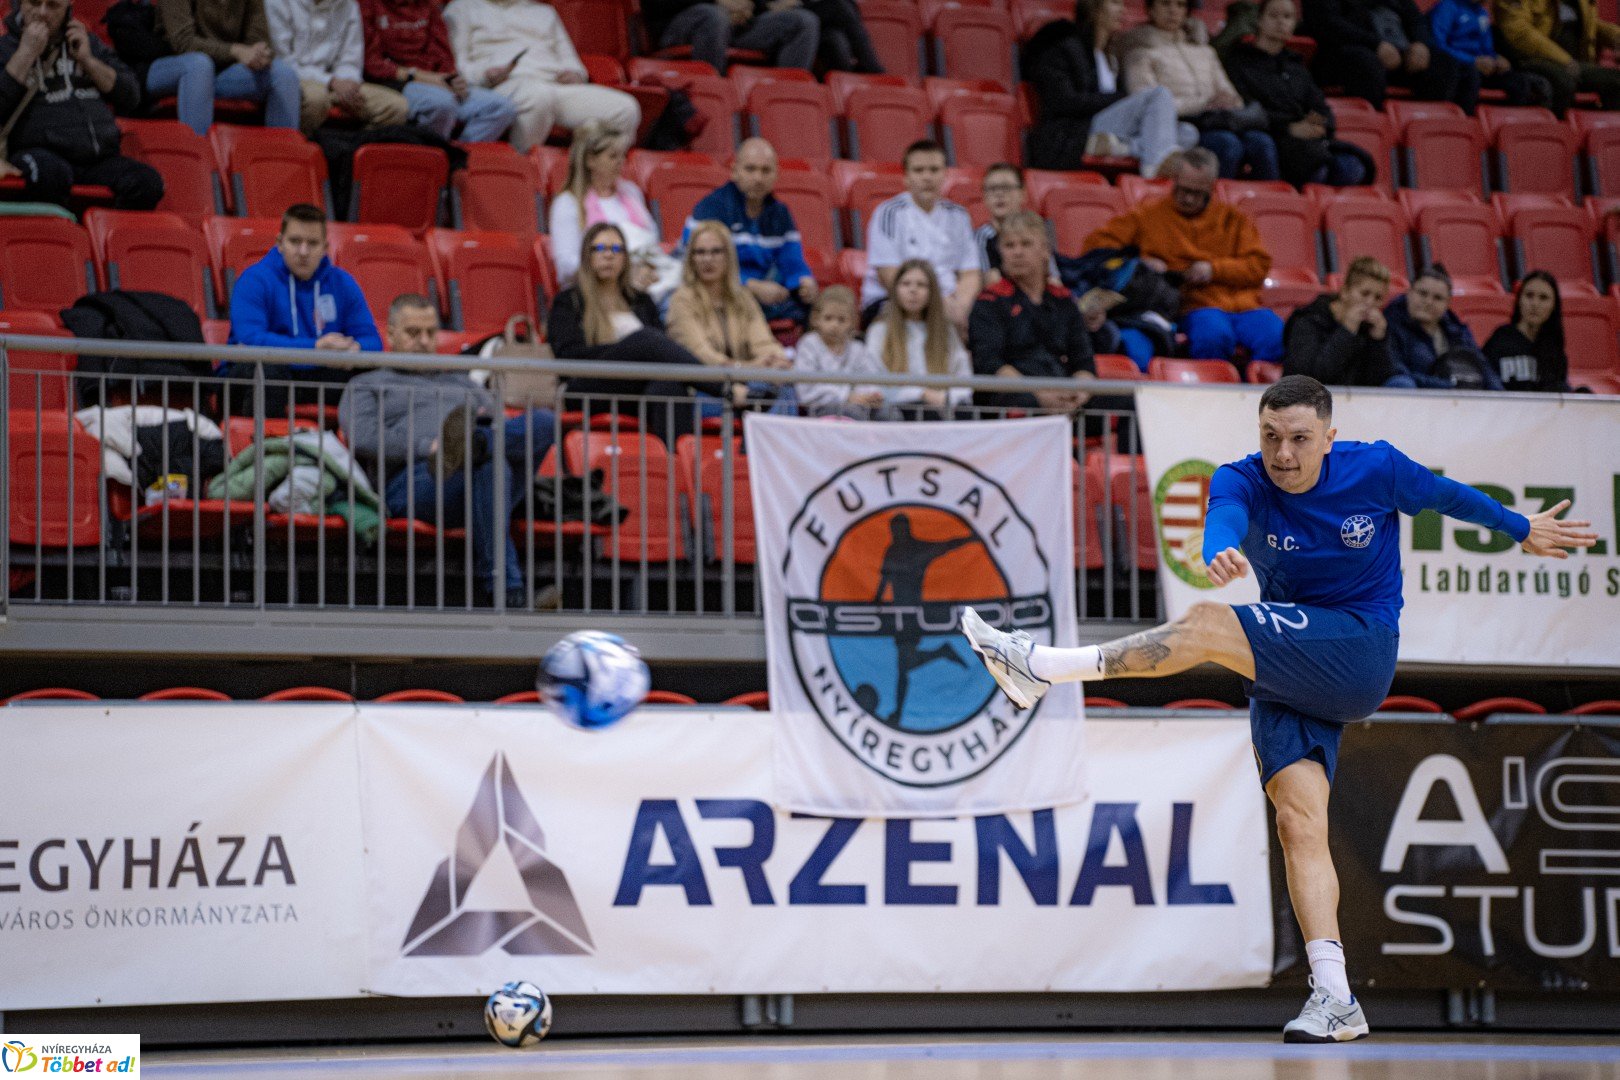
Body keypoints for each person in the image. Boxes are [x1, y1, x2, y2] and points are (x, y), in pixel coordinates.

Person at [960, 373, 1596, 1044]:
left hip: (1358, 646)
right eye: (1271, 438)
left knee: (1208, 625)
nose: (1283, 454)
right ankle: (1335, 995)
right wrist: (1218, 553)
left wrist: (1520, 527)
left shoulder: (1374, 467)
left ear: (1329, 437)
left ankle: (1040, 668)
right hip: (1292, 669)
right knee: (1299, 823)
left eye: (1298, 439)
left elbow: (1446, 496)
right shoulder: (1241, 478)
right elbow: (1221, 522)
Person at [338, 294, 560, 610]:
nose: (424, 341)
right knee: (489, 463)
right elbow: (363, 437)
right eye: (413, 333)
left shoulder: (464, 382)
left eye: (430, 333)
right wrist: (427, 447)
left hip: (481, 477)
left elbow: (501, 426)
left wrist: (477, 442)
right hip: (415, 480)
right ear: (390, 334)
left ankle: (474, 446)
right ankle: (508, 590)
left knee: (542, 422)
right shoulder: (367, 383)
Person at [1085, 147, 1283, 367]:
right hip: (1196, 305)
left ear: (1211, 187)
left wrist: (1214, 270)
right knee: (1213, 336)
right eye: (1182, 189)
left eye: (1196, 193)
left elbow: (1258, 265)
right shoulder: (1147, 215)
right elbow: (1096, 246)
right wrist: (1140, 261)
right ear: (1174, 181)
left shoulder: (1234, 219)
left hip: (1247, 306)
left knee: (1276, 336)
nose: (1187, 198)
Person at [545, 223, 721, 439]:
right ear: (586, 256)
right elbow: (566, 355)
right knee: (645, 340)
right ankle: (722, 387)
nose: (608, 255)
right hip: (590, 388)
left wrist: (636, 351)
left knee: (669, 386)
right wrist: (628, 350)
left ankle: (675, 465)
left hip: (637, 390)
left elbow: (661, 351)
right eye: (600, 249)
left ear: (625, 258)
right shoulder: (569, 301)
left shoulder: (641, 301)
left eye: (616, 249)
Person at [0, 0, 163, 210]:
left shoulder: (88, 43)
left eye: (52, 6)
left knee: (146, 182)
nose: (41, 12)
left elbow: (131, 96)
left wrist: (88, 61)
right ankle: (58, 239)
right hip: (40, 152)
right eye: (33, 3)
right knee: (50, 173)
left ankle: (99, 236)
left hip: (98, 157)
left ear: (68, 5)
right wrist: (26, 53)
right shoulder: (6, 48)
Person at [227, 203, 382, 411]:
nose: (303, 251)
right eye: (295, 241)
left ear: (325, 248)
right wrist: (316, 349)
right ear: (280, 243)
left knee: (373, 375)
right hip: (264, 377)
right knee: (265, 370)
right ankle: (268, 443)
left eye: (312, 243)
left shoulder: (343, 283)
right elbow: (250, 339)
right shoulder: (254, 280)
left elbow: (373, 341)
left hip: (318, 375)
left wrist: (354, 350)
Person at [1023, 0, 1196, 176]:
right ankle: (1155, 169)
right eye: (1115, 3)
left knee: (1188, 133)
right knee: (1159, 95)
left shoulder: (1110, 55)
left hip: (1105, 127)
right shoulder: (1064, 47)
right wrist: (1120, 98)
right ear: (1094, 8)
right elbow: (1063, 101)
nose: (1122, 10)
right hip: (1075, 129)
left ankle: (1118, 147)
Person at [442, 0, 639, 153]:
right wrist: (486, 76)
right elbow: (456, 66)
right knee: (538, 97)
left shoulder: (544, 12)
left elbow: (571, 61)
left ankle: (585, 179)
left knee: (625, 109)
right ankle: (522, 170)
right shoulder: (460, 8)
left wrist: (575, 75)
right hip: (502, 85)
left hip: (556, 84)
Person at [1223, 0, 1372, 187]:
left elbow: (1320, 107)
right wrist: (1290, 128)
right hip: (1272, 136)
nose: (1281, 22)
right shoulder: (1239, 61)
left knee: (1352, 167)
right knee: (1318, 169)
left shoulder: (1296, 66)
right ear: (1259, 20)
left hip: (1308, 142)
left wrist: (1316, 126)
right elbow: (1245, 109)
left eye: (1287, 17)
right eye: (1273, 15)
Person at [1124, 0, 1279, 179]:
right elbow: (1146, 104)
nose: (1173, 11)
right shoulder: (1139, 52)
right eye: (1166, 4)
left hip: (1215, 121)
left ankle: (1267, 205)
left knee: (1262, 142)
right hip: (1178, 128)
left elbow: (1231, 96)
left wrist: (1228, 101)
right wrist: (1203, 104)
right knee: (1227, 144)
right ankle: (1211, 202)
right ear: (1150, 10)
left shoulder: (1205, 51)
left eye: (1180, 5)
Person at [969, 211, 1099, 413]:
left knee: (1128, 402)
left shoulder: (1064, 301)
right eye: (1009, 246)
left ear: (1045, 250)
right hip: (1014, 395)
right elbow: (990, 364)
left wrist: (1078, 394)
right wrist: (1041, 395)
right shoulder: (989, 302)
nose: (1017, 252)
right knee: (1025, 403)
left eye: (1026, 244)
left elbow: (1084, 362)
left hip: (1064, 391)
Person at [679, 138, 818, 325]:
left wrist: (804, 282)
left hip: (766, 294)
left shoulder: (781, 213)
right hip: (722, 292)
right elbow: (697, 263)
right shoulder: (712, 207)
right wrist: (752, 286)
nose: (758, 178)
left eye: (765, 170)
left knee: (818, 308)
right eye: (750, 169)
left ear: (776, 174)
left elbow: (792, 262)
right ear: (735, 171)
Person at [666, 220, 794, 410]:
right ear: (691, 258)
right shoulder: (682, 300)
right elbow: (702, 356)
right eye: (700, 252)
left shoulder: (742, 297)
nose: (707, 259)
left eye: (716, 251)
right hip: (706, 389)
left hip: (746, 383)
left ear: (728, 257)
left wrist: (776, 360)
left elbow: (763, 342)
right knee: (762, 391)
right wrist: (750, 368)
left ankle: (773, 440)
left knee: (782, 388)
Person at [548, 121, 680, 302]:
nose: (621, 163)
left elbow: (652, 242)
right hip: (597, 293)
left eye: (622, 156)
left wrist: (647, 269)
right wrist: (622, 273)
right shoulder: (568, 203)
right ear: (590, 160)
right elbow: (567, 267)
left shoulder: (631, 192)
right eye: (613, 157)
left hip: (644, 282)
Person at [861, 140, 981, 333]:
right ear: (906, 178)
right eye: (919, 170)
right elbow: (888, 274)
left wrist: (961, 307)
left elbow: (970, 273)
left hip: (950, 302)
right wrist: (935, 307)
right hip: (896, 298)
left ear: (945, 174)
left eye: (934, 170)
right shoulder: (888, 213)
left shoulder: (959, 215)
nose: (927, 177)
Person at [359, 0, 516, 142]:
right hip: (396, 82)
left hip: (437, 82)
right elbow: (372, 65)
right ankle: (430, 163)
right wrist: (426, 78)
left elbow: (443, 56)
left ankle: (455, 159)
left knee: (500, 107)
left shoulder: (429, 6)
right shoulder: (367, 5)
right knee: (442, 104)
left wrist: (453, 79)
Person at [150, 0, 301, 136]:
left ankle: (283, 162)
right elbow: (183, 42)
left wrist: (259, 54)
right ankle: (199, 159)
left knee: (283, 75)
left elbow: (257, 39)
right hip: (169, 65)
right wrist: (235, 50)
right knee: (200, 65)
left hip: (222, 71)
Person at [267, 0, 408, 135]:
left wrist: (348, 87)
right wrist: (331, 82)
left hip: (339, 83)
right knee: (317, 99)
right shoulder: (278, 2)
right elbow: (283, 63)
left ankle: (346, 152)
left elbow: (350, 59)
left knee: (396, 108)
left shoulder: (349, 4)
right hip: (298, 78)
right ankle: (299, 153)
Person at [1303, 0, 1468, 111]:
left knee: (1449, 66)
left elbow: (1416, 19)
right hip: (1344, 54)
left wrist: (1421, 44)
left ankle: (1430, 130)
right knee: (1366, 64)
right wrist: (1375, 45)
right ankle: (1369, 130)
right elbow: (1325, 23)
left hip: (1399, 56)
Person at [863, 259, 973, 417]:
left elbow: (963, 378)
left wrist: (946, 398)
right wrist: (921, 394)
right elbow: (873, 381)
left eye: (921, 285)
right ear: (896, 289)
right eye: (906, 284)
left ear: (932, 292)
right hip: (898, 411)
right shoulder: (879, 331)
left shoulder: (946, 332)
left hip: (942, 409)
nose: (913, 290)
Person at [1283, 256, 1408, 386]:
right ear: (1344, 291)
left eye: (1378, 298)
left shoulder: (1370, 329)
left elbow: (1377, 386)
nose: (1370, 303)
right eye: (1364, 294)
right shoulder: (1309, 321)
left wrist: (1379, 341)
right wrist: (1347, 332)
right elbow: (1311, 378)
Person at [1384, 266, 1503, 389]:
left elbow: (1483, 368)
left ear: (1448, 303)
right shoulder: (1389, 325)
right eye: (1422, 294)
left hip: (1457, 399)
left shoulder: (1457, 330)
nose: (1429, 302)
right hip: (1418, 399)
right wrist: (1450, 386)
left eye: (1438, 298)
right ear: (1409, 292)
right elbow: (1396, 372)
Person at [1493, 0, 1620, 114]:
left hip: (1575, 63)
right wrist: (1563, 59)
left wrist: (1616, 37)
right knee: (1563, 82)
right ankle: (1554, 131)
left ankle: (1600, 131)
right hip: (1530, 59)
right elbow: (1519, 32)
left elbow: (1590, 24)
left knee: (1616, 80)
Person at [1428, 0, 1550, 113]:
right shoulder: (1447, 7)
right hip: (1456, 66)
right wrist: (1472, 61)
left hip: (1482, 67)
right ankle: (1465, 122)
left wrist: (1496, 58)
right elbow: (1438, 46)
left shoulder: (1481, 12)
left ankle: (1508, 124)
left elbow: (1487, 49)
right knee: (1471, 77)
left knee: (1519, 82)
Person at [642, 0, 819, 75]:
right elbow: (656, 5)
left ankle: (786, 99)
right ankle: (715, 95)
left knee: (804, 21)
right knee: (714, 17)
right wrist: (716, 2)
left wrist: (756, 6)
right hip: (679, 25)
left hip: (736, 26)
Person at [793, 286, 888, 418]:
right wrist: (846, 396)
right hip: (821, 407)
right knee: (852, 413)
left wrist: (870, 395)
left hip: (857, 403)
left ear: (852, 322)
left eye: (841, 320)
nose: (834, 325)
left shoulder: (858, 348)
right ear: (816, 319)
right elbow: (806, 390)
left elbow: (868, 377)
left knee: (888, 413)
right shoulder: (808, 344)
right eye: (828, 318)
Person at [1483, 271, 1579, 391]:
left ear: (1554, 305)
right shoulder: (1500, 339)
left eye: (1543, 298)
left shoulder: (1555, 349)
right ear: (1519, 300)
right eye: (1529, 295)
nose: (1535, 304)